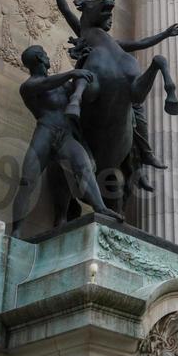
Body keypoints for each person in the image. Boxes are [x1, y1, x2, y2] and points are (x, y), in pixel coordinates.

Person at [10, 44, 122, 238]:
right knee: (27, 181)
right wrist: (72, 72)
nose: (47, 57)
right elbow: (48, 84)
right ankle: (16, 230)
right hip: (45, 133)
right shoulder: (29, 86)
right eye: (44, 54)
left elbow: (80, 82)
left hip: (65, 136)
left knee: (84, 167)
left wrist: (83, 62)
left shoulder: (61, 85)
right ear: (39, 59)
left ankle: (100, 208)